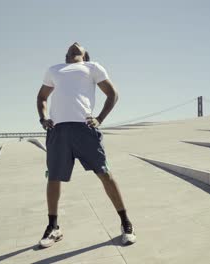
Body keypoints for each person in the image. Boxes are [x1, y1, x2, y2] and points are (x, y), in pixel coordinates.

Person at [36, 42, 136, 248]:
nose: (74, 46)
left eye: (79, 48)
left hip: (85, 129)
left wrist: (99, 118)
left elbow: (113, 94)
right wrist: (43, 118)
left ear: (84, 55)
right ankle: (53, 227)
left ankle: (126, 222)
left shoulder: (92, 67)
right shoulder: (53, 70)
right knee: (53, 178)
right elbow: (42, 97)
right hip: (58, 132)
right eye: (71, 48)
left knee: (105, 174)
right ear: (66, 55)